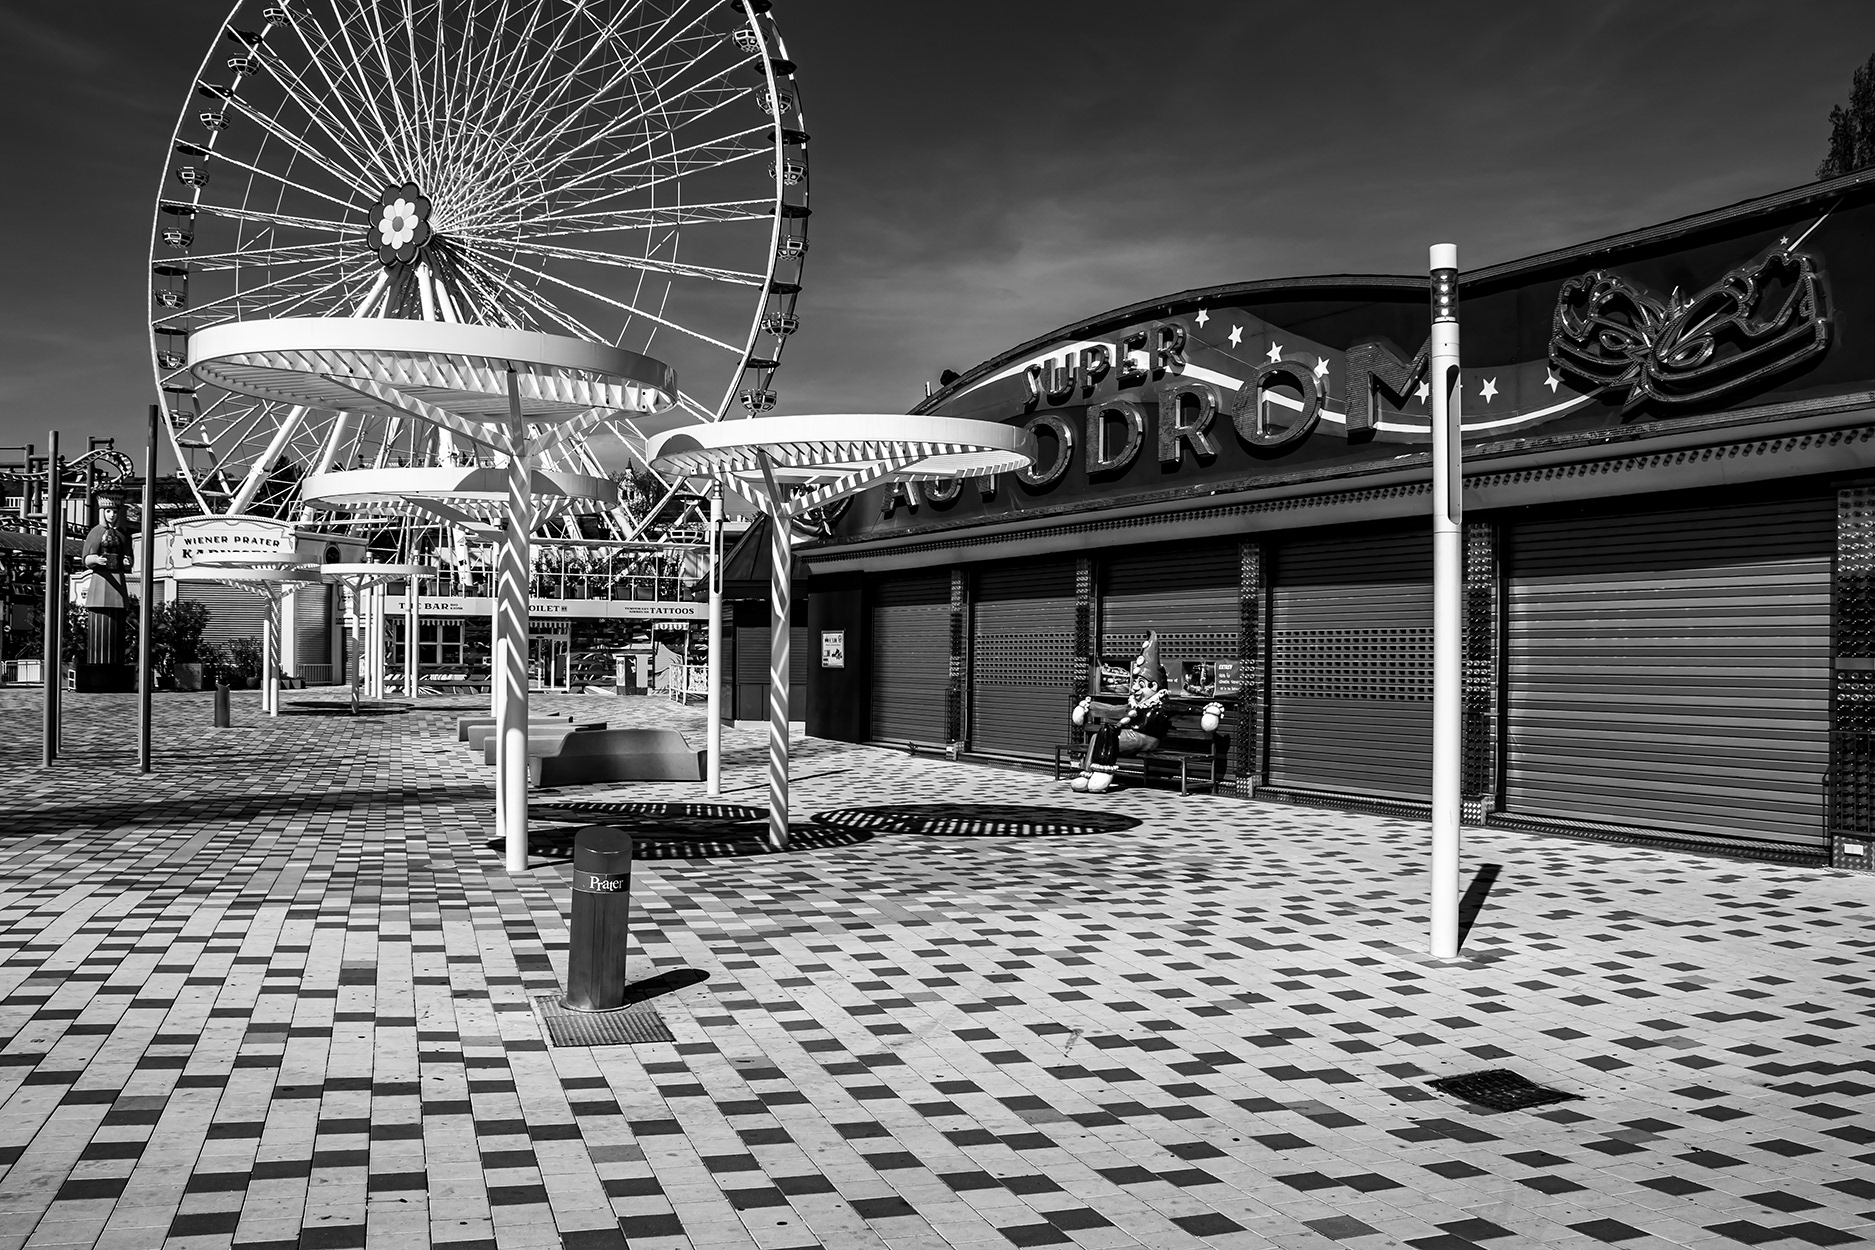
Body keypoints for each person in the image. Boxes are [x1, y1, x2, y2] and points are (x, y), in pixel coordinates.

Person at [80, 495, 134, 671]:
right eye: (108, 511)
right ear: (102, 512)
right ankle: (99, 665)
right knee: (99, 626)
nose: (112, 515)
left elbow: (129, 558)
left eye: (114, 511)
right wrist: (95, 559)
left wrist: (127, 561)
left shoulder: (123, 535)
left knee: (117, 626)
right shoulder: (95, 532)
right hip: (100, 580)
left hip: (117, 582)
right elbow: (86, 558)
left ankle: (114, 664)